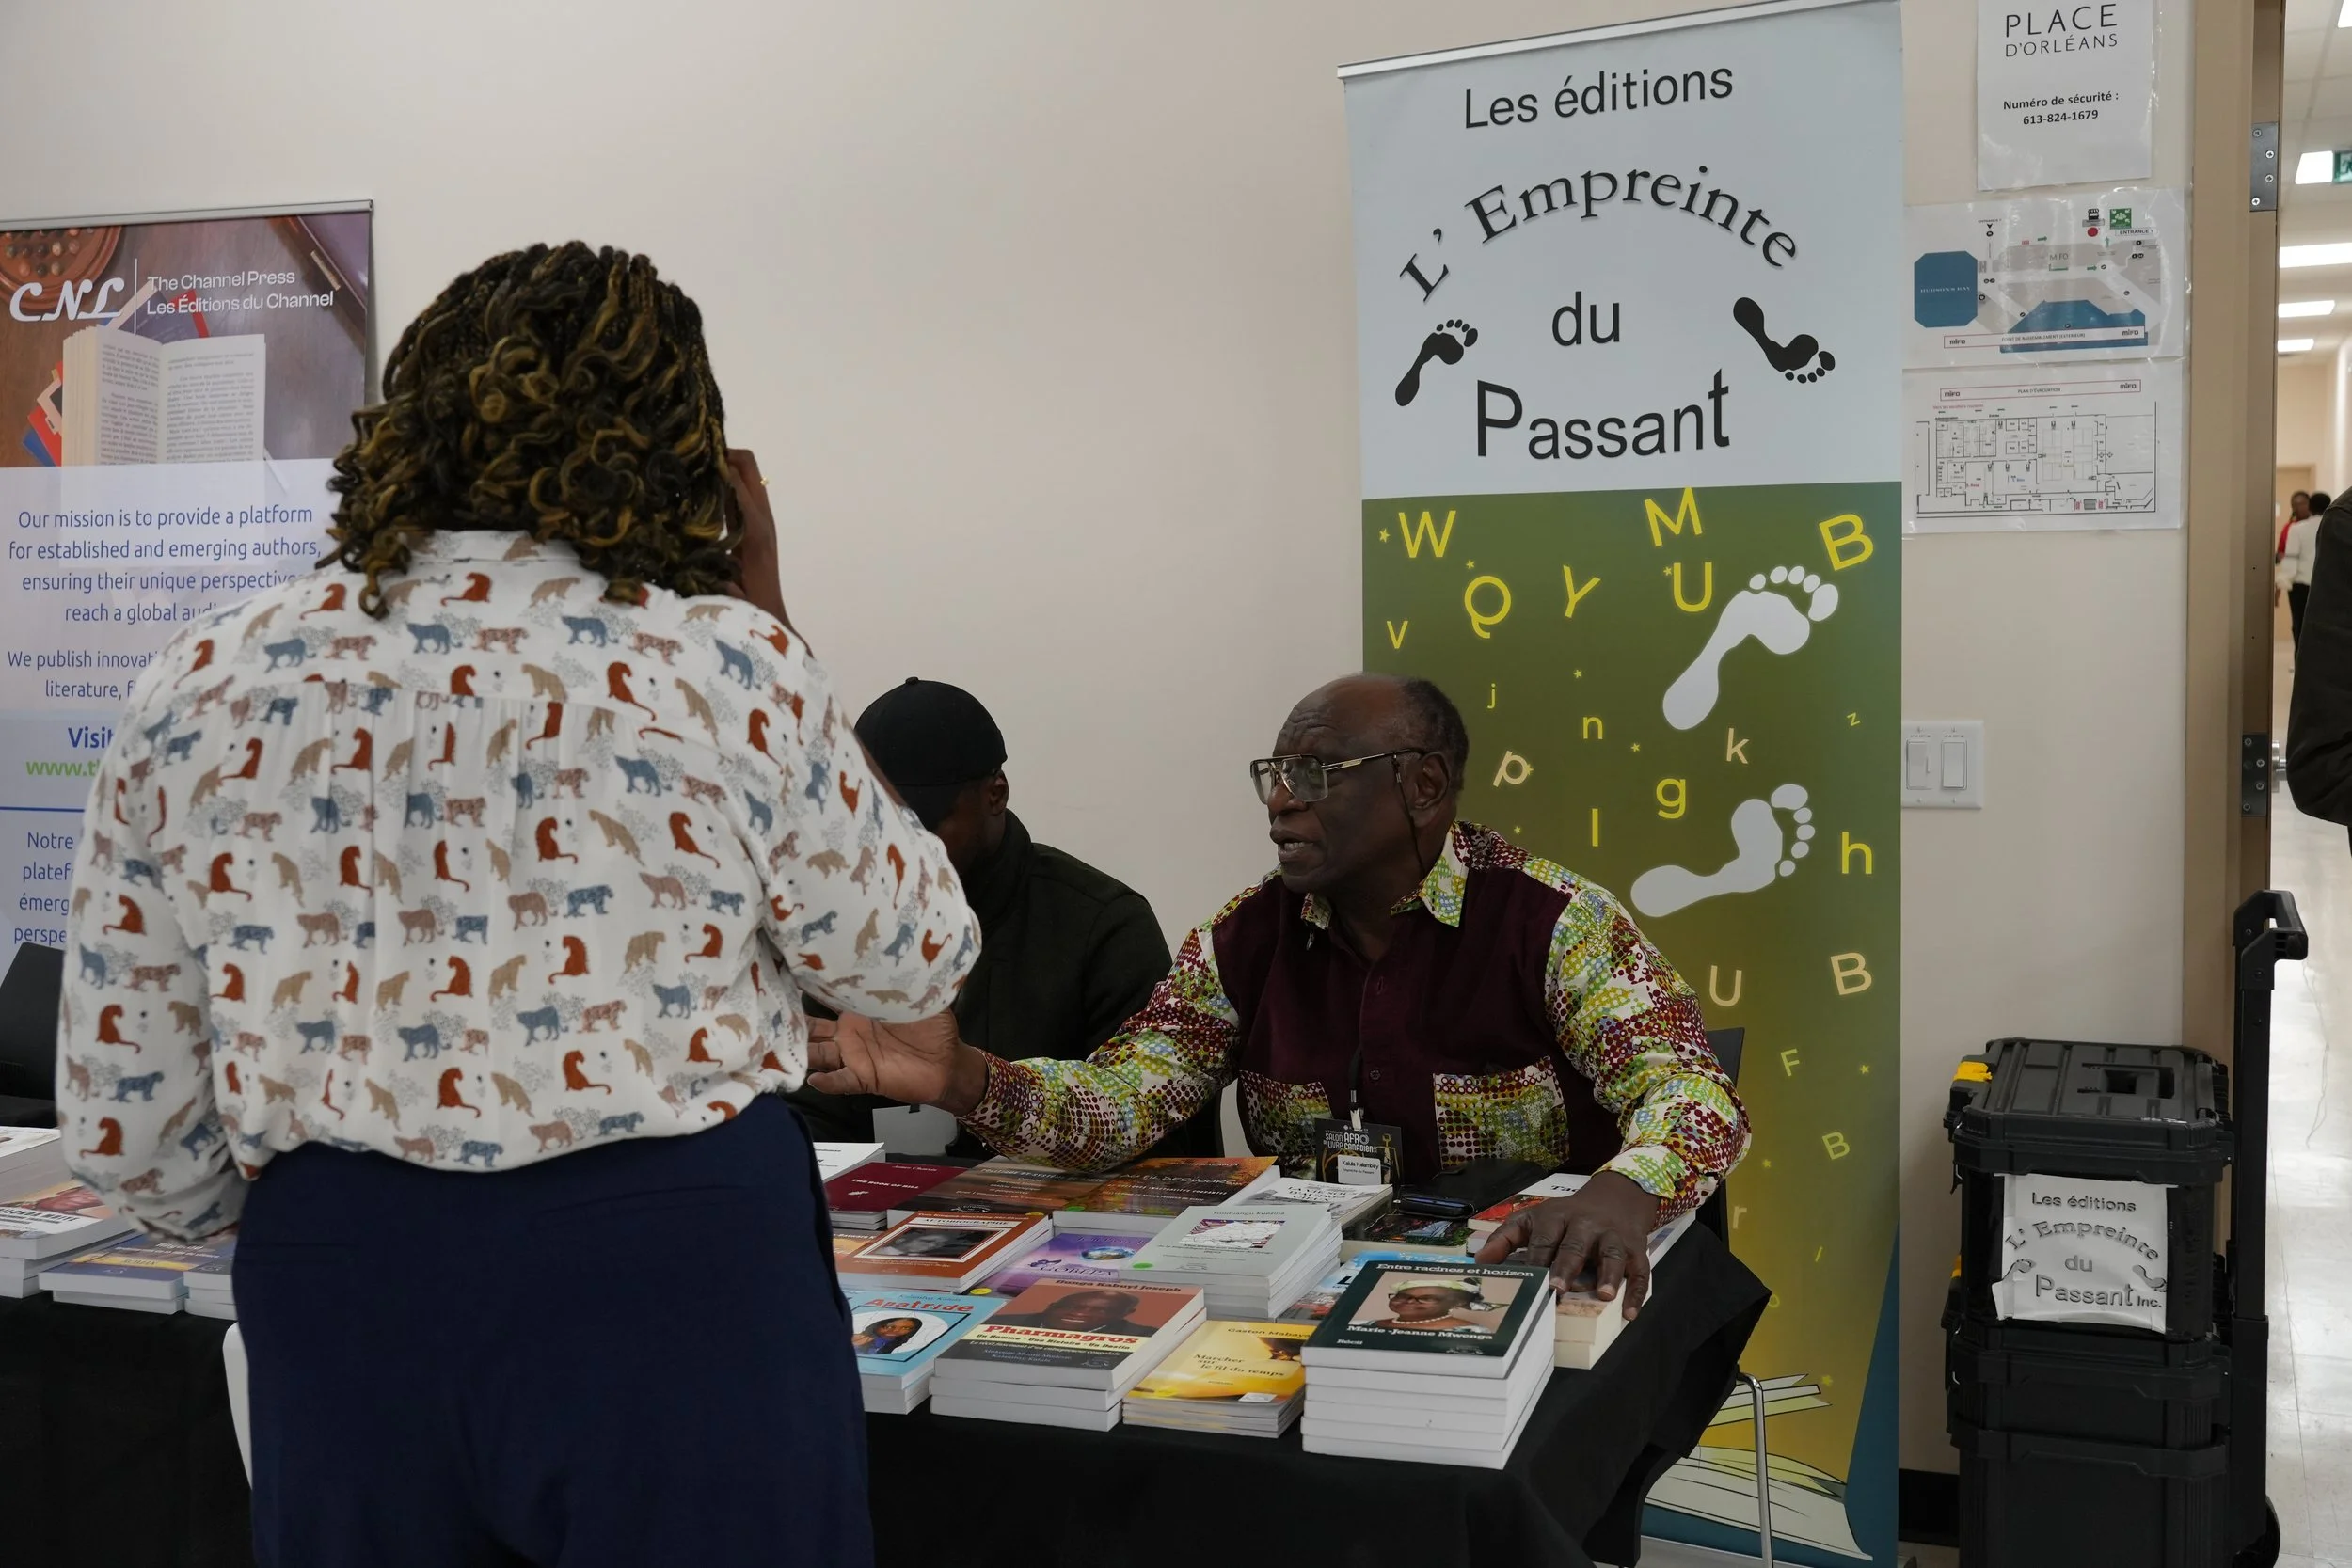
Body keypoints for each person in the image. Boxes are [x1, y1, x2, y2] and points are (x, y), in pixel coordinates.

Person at [56, 243, 977, 1568]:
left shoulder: (200, 676)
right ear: (683, 452)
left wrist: (329, 1216)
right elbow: (910, 958)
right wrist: (768, 612)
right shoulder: (720, 661)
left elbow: (127, 1115)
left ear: (406, 425)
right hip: (676, 1271)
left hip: (343, 1277)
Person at [807, 673, 1750, 1316]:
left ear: (1423, 786)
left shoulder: (1554, 922)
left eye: (1314, 775)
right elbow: (1119, 1104)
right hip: (1311, 1297)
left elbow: (1694, 1094)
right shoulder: (1243, 939)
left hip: (1531, 1292)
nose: (1279, 801)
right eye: (1274, 774)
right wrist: (964, 1077)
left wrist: (1626, 1188)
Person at [791, 678, 1212, 1154]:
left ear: (995, 794)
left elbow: (1149, 1136)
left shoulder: (1105, 926)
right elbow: (812, 1120)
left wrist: (970, 1083)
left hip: (1071, 1201)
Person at [2290, 493, 2352, 833]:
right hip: (2308, 584)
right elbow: (2321, 764)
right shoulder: (2344, 522)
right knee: (2304, 630)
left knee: (2303, 630)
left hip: (2306, 582)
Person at [991, 1287, 1155, 1336]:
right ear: (1052, 1306)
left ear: (1124, 1314)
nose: (1079, 1314)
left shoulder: (1145, 1336)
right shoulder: (998, 1323)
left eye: (1101, 1310)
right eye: (1070, 1307)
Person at [2281, 490, 2332, 644]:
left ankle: (2301, 659)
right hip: (2327, 586)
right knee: (2325, 629)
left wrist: (2283, 581)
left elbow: (2291, 559)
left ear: (2310, 507)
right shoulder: (2334, 527)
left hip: (2301, 587)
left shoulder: (2297, 529)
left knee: (2300, 628)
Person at [1362, 1280, 1492, 1332]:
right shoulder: (1365, 1324)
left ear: (1457, 1303)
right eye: (1402, 1296)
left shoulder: (1471, 1331)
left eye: (1427, 1298)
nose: (1410, 1302)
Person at [853, 1316, 929, 1357]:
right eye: (889, 1327)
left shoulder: (903, 1346)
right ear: (877, 1326)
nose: (896, 1331)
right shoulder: (857, 1338)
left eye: (905, 1328)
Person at [2282, 491, 2312, 561]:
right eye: (2295, 505)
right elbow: (2281, 552)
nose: (2298, 508)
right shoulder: (2288, 528)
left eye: (2302, 504)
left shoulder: (2317, 526)